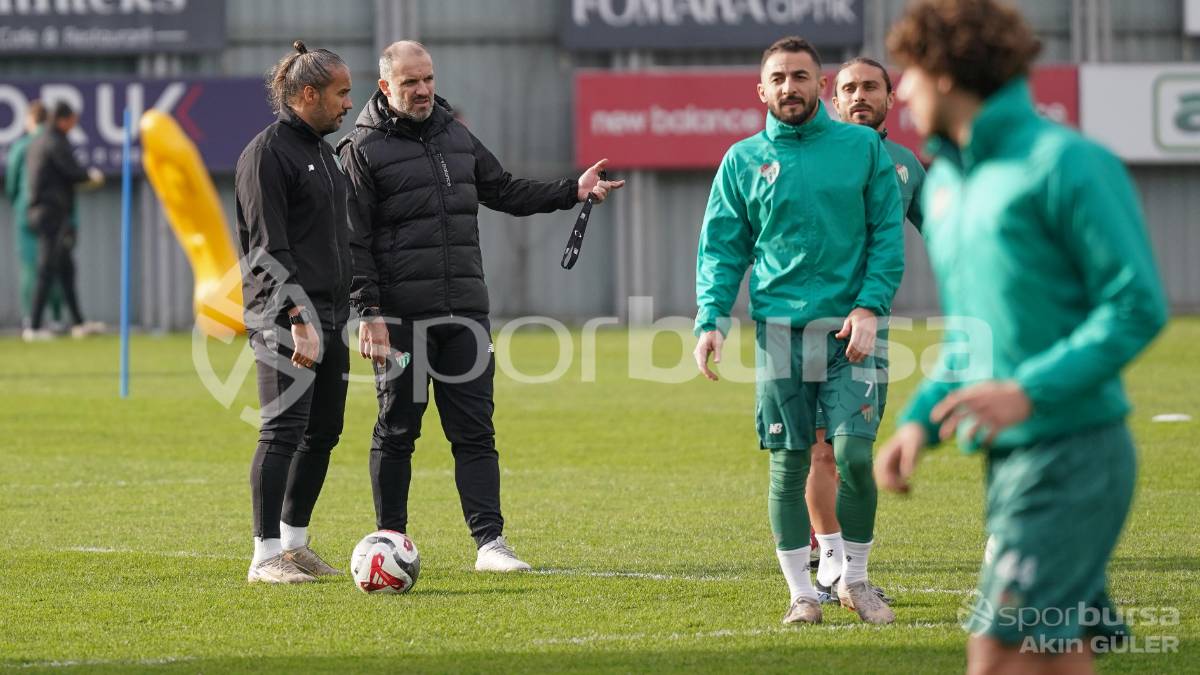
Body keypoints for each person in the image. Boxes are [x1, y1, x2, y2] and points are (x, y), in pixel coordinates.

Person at [875, 1, 1167, 672]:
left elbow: (1136, 305)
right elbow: (975, 336)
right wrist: (920, 422)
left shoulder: (1067, 162)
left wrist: (1028, 391)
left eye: (909, 73)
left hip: (1073, 456)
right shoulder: (944, 183)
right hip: (1010, 459)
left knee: (998, 652)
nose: (903, 91)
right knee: (1056, 655)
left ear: (945, 74)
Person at [338, 40, 624, 572]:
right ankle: (389, 540)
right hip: (399, 320)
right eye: (410, 83)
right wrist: (368, 313)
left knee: (475, 431)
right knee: (397, 428)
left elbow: (504, 190)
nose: (423, 90)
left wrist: (573, 191)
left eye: (428, 79)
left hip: (464, 313)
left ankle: (490, 544)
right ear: (385, 87)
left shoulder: (455, 134)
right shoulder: (361, 149)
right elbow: (353, 240)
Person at [692, 36, 904, 625]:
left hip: (852, 332)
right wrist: (710, 318)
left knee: (855, 458)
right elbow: (721, 249)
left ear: (821, 85)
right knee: (789, 465)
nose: (790, 87)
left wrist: (869, 308)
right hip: (781, 335)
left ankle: (855, 582)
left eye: (802, 76)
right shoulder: (742, 159)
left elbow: (887, 235)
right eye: (779, 78)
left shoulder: (862, 148)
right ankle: (802, 595)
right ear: (762, 90)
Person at [804, 57, 928, 604]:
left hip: (868, 326)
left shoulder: (906, 167)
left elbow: (947, 236)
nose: (859, 96)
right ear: (834, 98)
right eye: (849, 88)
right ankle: (830, 563)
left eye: (870, 87)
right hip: (803, 325)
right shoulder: (806, 154)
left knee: (853, 452)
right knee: (818, 453)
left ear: (890, 97)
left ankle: (844, 563)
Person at [235, 40, 355, 584]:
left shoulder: (325, 152)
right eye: (341, 93)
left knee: (324, 431)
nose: (347, 104)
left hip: (331, 316)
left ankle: (295, 543)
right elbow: (267, 249)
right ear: (308, 93)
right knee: (282, 431)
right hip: (286, 319)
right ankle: (264, 556)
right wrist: (297, 319)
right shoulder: (266, 154)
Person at [23, 101, 105, 342]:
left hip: (43, 212)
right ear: (63, 119)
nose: (74, 125)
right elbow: (72, 171)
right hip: (50, 213)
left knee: (66, 269)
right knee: (46, 268)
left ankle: (79, 323)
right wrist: (90, 176)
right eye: (72, 121)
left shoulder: (39, 139)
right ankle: (34, 327)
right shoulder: (55, 141)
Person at [5, 101, 71, 334]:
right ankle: (54, 317)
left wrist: (17, 200)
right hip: (56, 212)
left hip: (28, 213)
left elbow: (12, 180)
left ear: (32, 119)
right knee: (52, 265)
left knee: (32, 267)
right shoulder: (55, 141)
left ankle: (29, 319)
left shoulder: (23, 145)